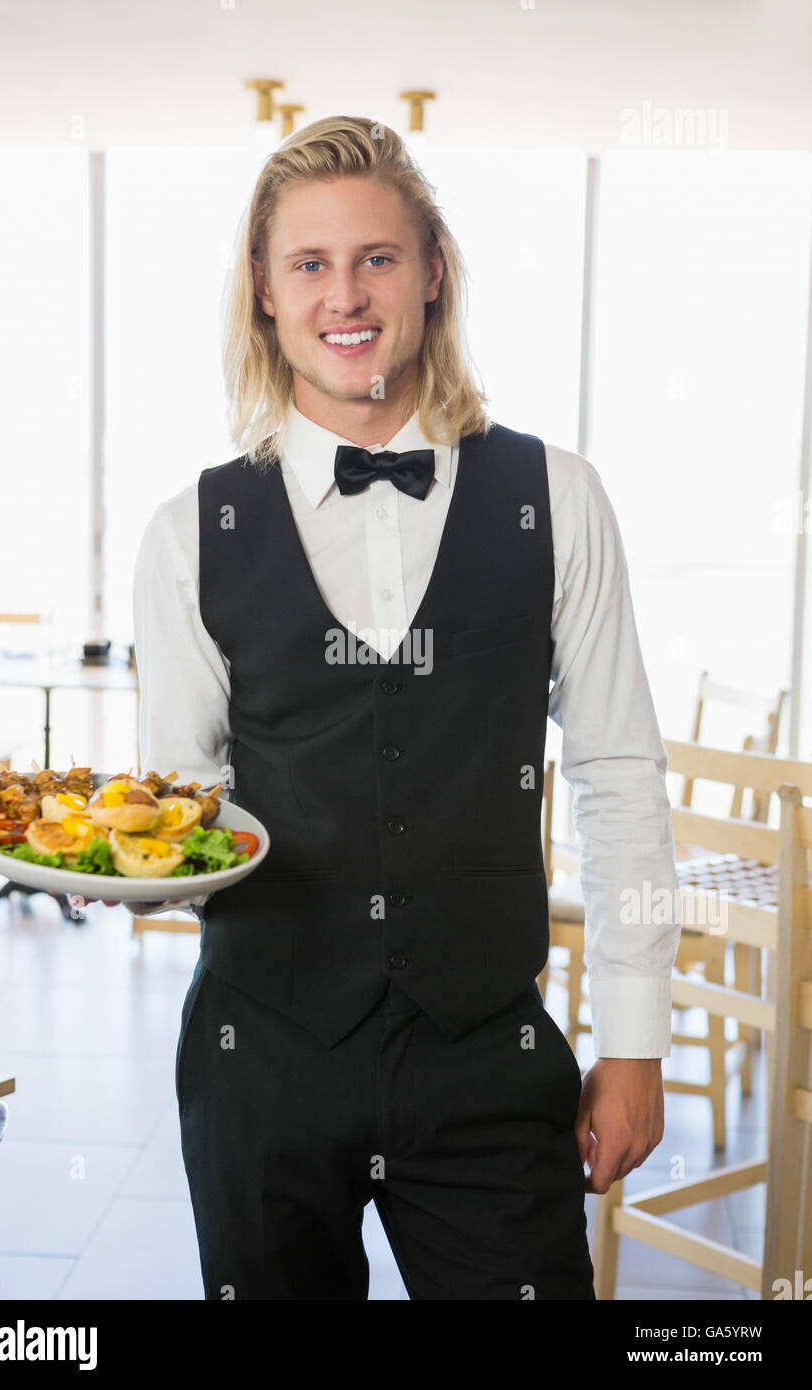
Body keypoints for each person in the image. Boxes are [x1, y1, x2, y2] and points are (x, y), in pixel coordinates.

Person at [111, 116, 681, 1300]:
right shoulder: (188, 534)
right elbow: (182, 797)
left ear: (432, 273)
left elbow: (618, 775)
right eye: (307, 265)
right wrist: (121, 853)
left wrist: (633, 1038)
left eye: (375, 256)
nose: (345, 294)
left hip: (483, 1053)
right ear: (263, 296)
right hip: (259, 1055)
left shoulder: (556, 500)